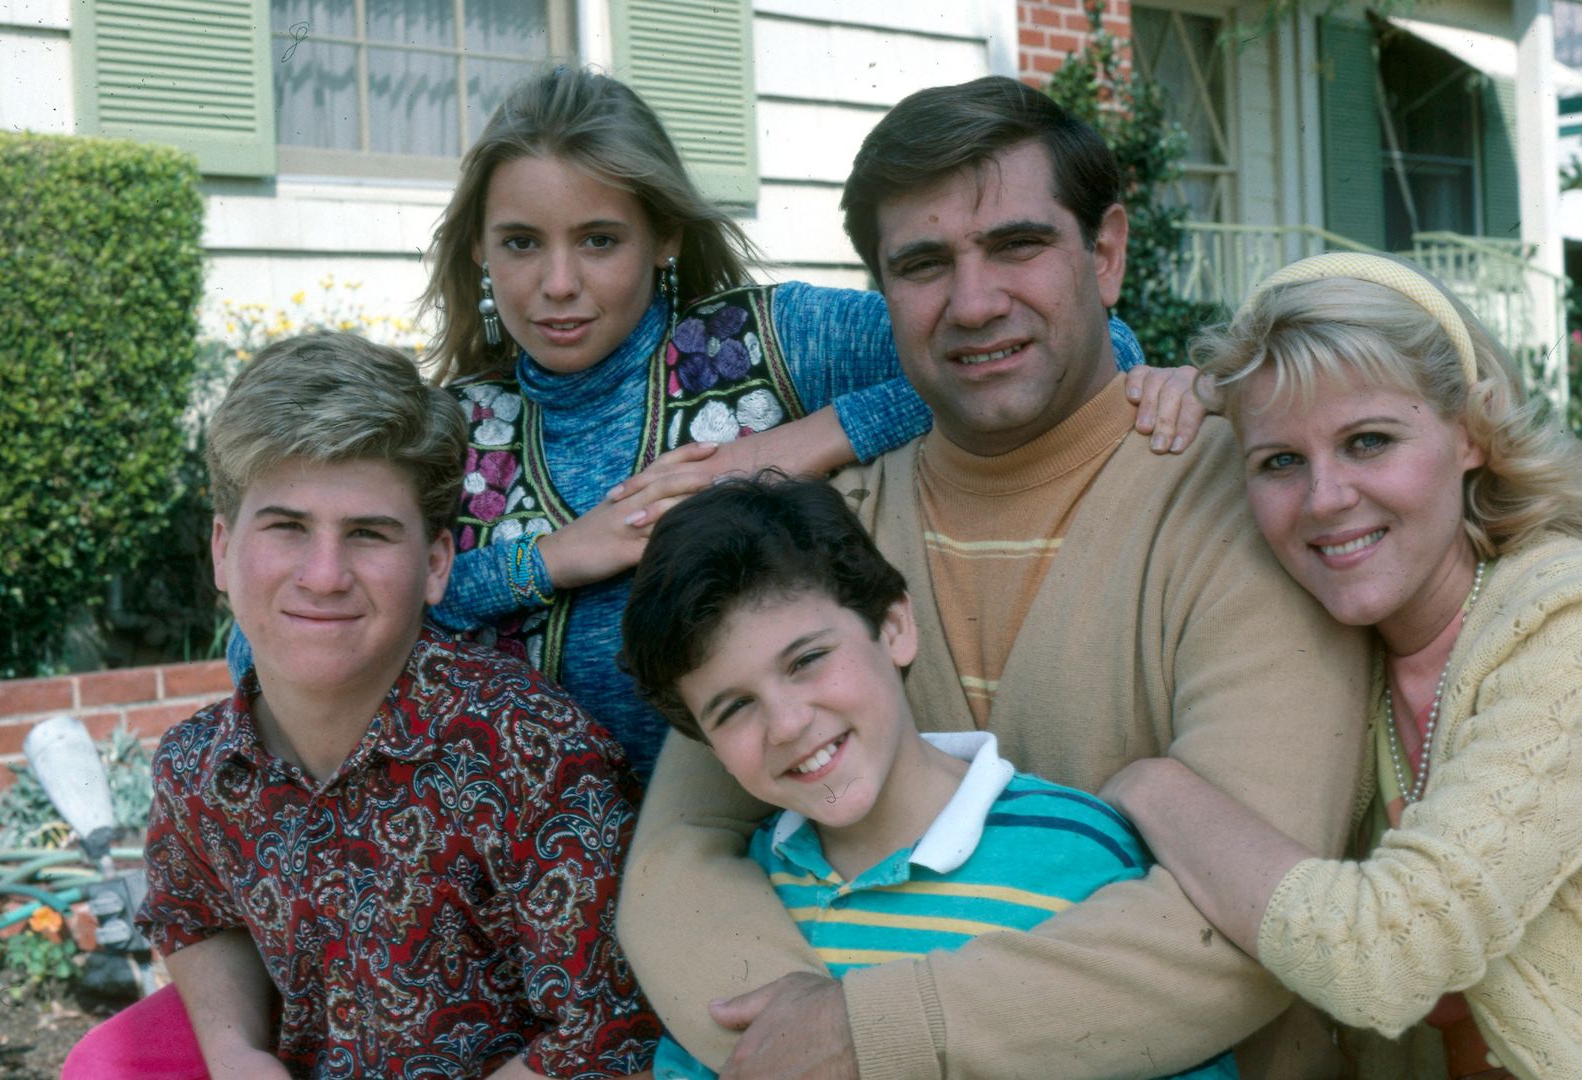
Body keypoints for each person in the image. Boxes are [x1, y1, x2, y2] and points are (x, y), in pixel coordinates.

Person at [618, 77, 1370, 1080]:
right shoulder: (814, 539)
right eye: (924, 264)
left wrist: (877, 1030)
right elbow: (679, 863)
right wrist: (803, 1042)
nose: (974, 303)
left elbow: (1248, 921)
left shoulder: (1245, 505)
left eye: (1017, 246)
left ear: (1104, 254)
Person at [1100, 252, 1582, 1079]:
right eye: (1280, 461)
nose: (1324, 497)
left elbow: (1386, 954)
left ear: (1470, 434)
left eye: (1369, 441)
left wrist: (1146, 784)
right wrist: (1203, 395)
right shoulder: (1341, 653)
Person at [414, 66, 1210, 781]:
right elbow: (386, 603)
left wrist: (804, 439)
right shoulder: (459, 426)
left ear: (664, 237)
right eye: (520, 243)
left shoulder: (763, 343)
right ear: (479, 251)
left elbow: (1079, 348)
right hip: (527, 887)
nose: (558, 283)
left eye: (598, 240)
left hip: (767, 851)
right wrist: (556, 559)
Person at [65, 333, 659, 1079]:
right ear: (222, 550)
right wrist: (235, 1051)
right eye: (287, 527)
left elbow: (613, 1028)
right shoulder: (198, 768)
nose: (324, 575)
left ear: (437, 563)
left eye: (368, 535)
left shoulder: (526, 752)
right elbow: (196, 915)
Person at [615, 474, 1240, 1080]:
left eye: (807, 660)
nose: (785, 725)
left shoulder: (1079, 850)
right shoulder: (745, 903)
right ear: (709, 746)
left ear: (894, 628)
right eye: (734, 708)